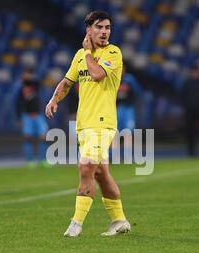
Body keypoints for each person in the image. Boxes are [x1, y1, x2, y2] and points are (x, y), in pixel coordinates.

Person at [45, 10, 131, 237]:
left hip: (103, 123)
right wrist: (54, 98)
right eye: (100, 27)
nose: (104, 32)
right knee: (101, 173)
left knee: (85, 167)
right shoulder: (79, 56)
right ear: (88, 30)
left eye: (107, 28)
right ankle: (119, 221)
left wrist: (87, 51)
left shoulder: (113, 52)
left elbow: (96, 75)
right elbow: (67, 81)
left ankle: (76, 224)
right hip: (84, 124)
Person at [16, 68, 49, 167]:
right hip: (26, 116)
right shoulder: (20, 88)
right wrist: (19, 117)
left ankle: (43, 160)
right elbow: (18, 103)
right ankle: (30, 160)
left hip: (38, 115)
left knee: (43, 137)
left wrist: (28, 78)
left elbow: (38, 82)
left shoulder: (35, 85)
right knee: (27, 138)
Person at [115, 64, 142, 161]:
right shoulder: (113, 79)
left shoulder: (129, 80)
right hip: (116, 109)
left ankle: (127, 155)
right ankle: (115, 156)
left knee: (128, 132)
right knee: (115, 132)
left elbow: (138, 92)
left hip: (128, 108)